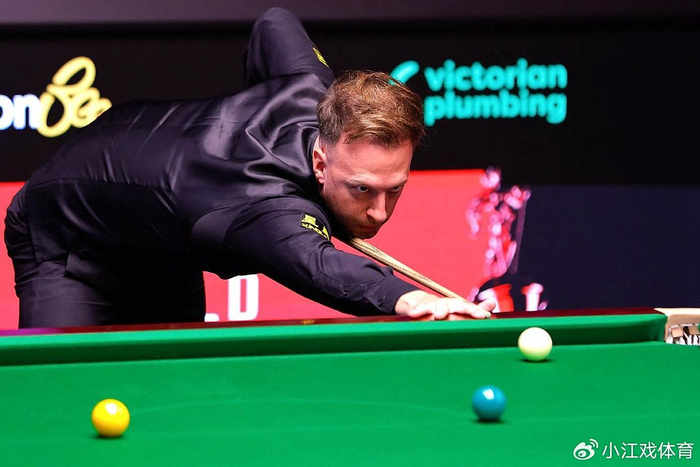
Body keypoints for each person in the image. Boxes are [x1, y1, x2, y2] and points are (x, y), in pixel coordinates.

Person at [4, 7, 495, 328]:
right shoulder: (265, 208)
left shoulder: (313, 89)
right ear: (320, 161)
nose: (379, 212)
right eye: (362, 190)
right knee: (60, 395)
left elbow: (274, 23)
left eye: (395, 189)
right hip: (69, 234)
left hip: (163, 240)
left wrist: (254, 103)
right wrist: (411, 300)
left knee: (176, 391)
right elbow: (320, 265)